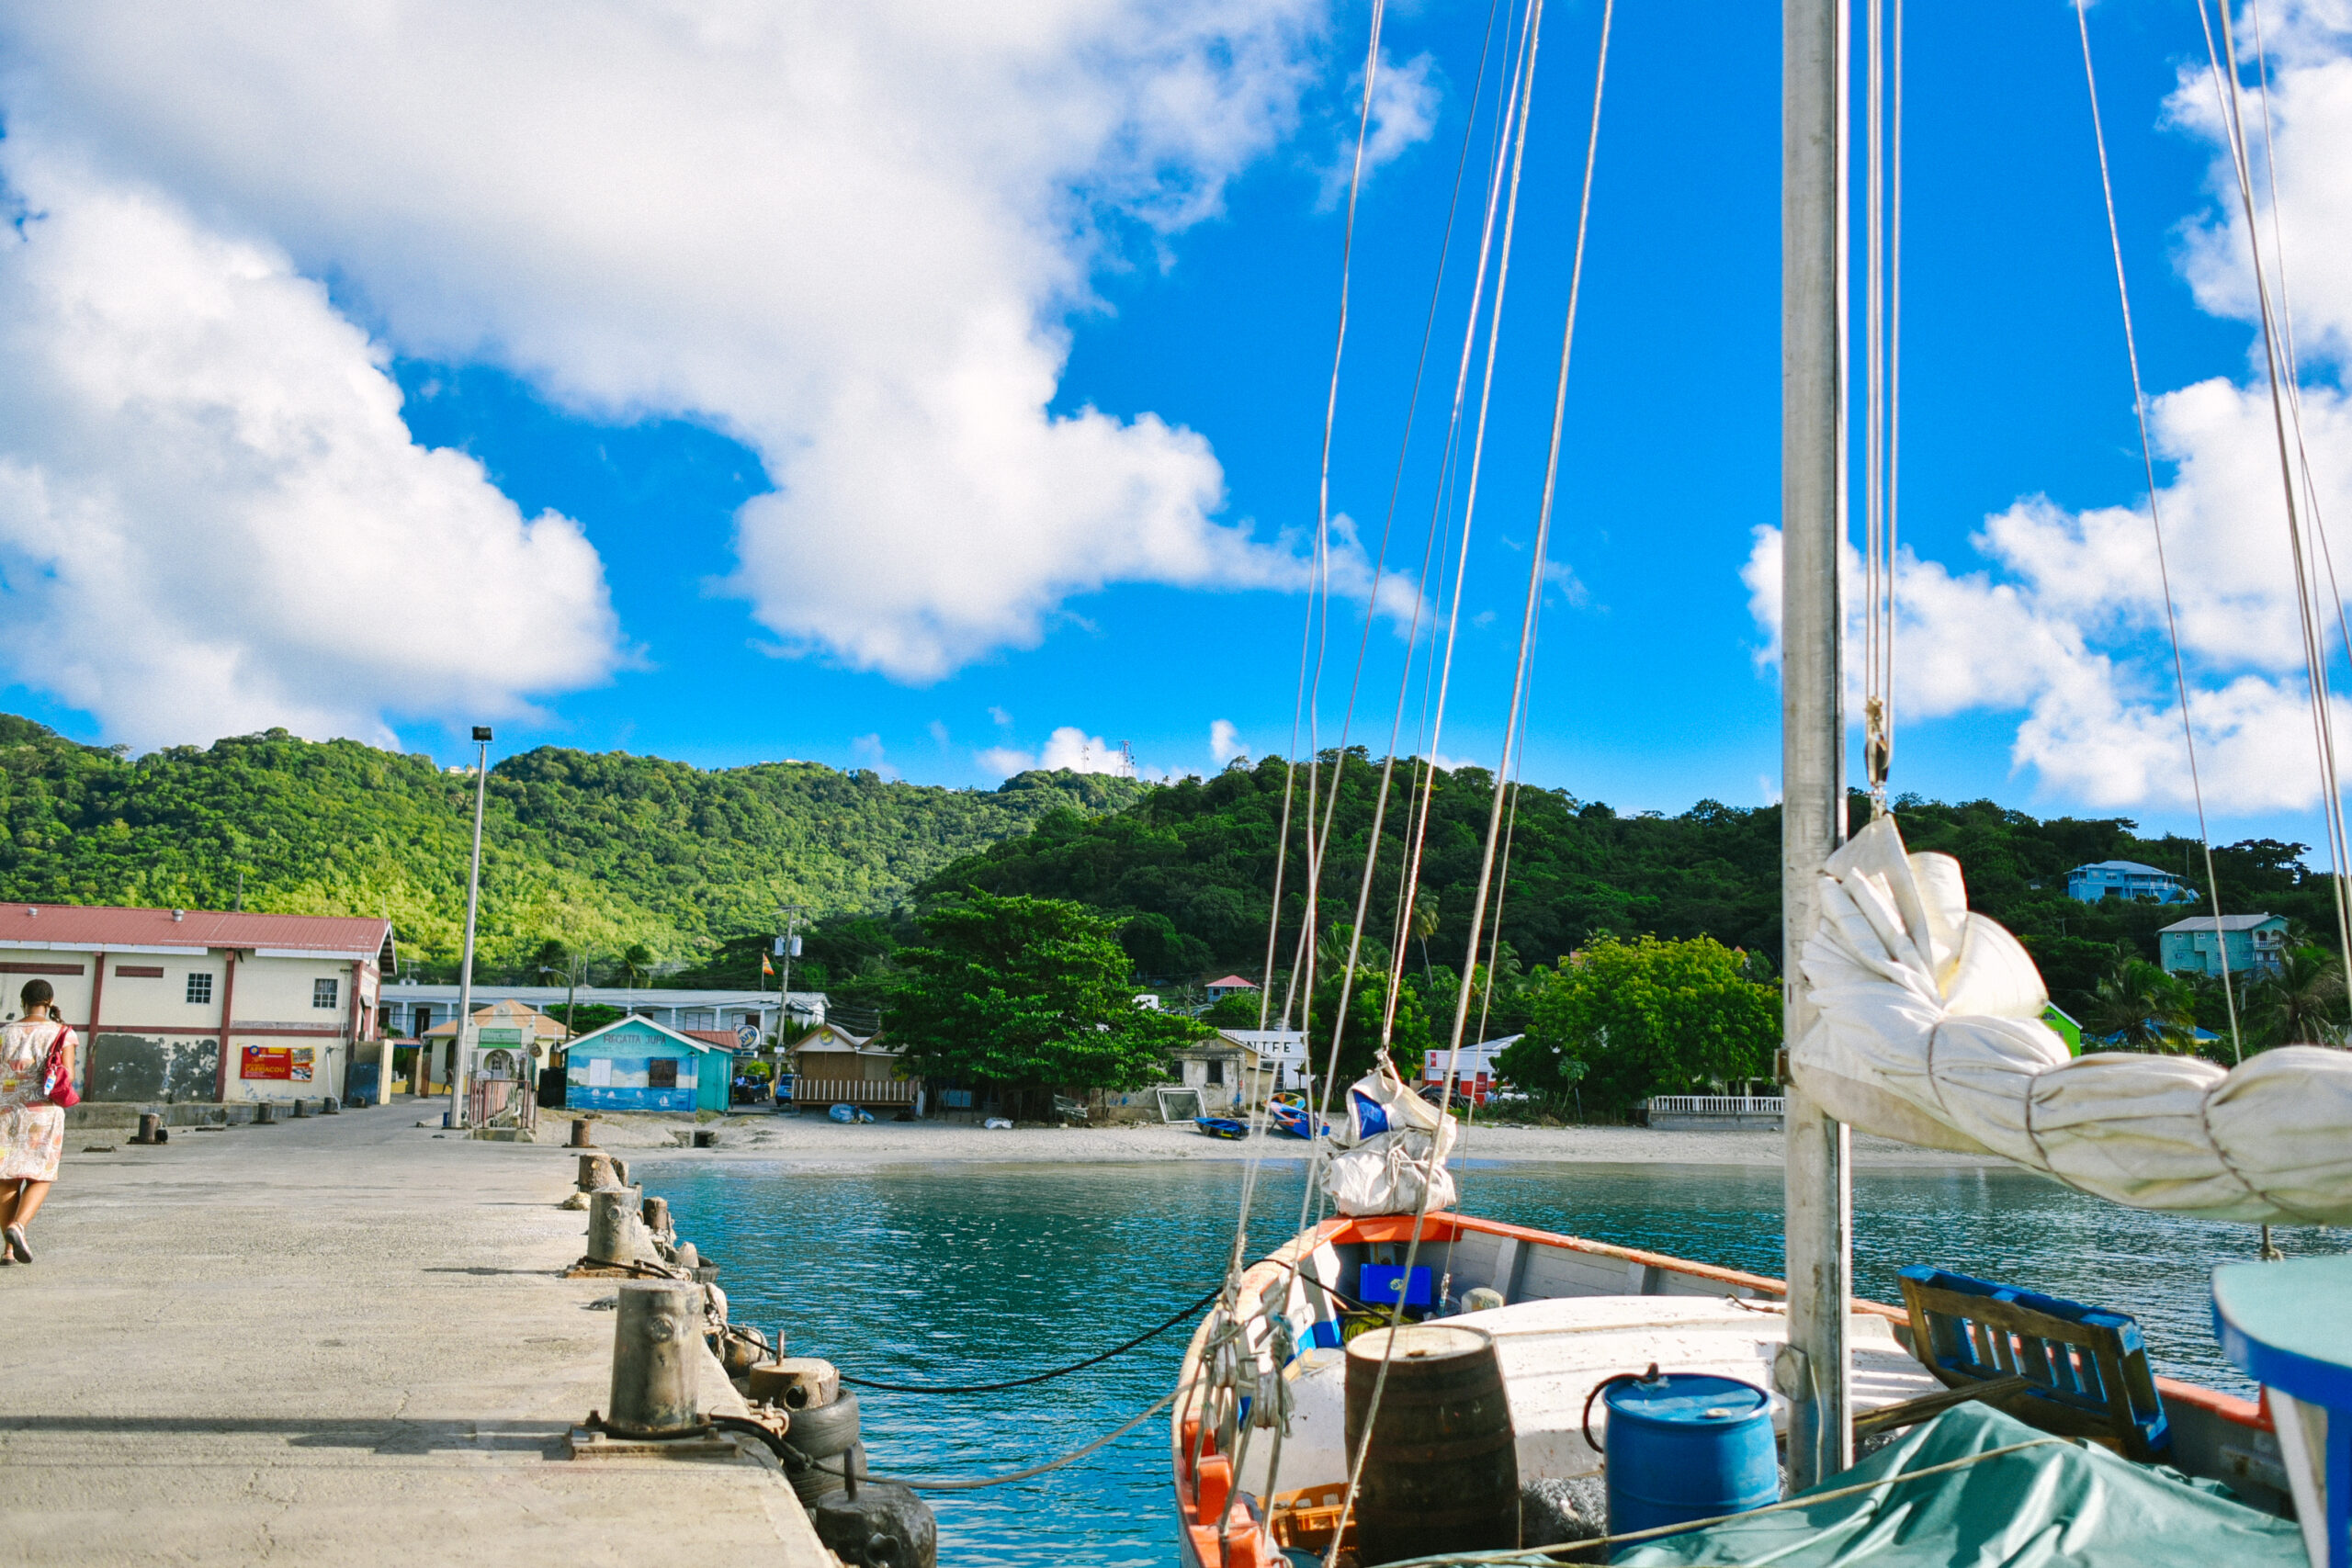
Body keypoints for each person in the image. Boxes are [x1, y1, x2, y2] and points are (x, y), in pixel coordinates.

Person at [0, 977, 75, 1263]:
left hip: (5, 1113)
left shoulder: (5, 1032)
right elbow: (68, 1076)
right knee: (41, 1175)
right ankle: (18, 1226)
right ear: (50, 1002)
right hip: (43, 1113)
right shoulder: (62, 1033)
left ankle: (8, 1251)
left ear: (23, 1002)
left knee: (7, 1178)